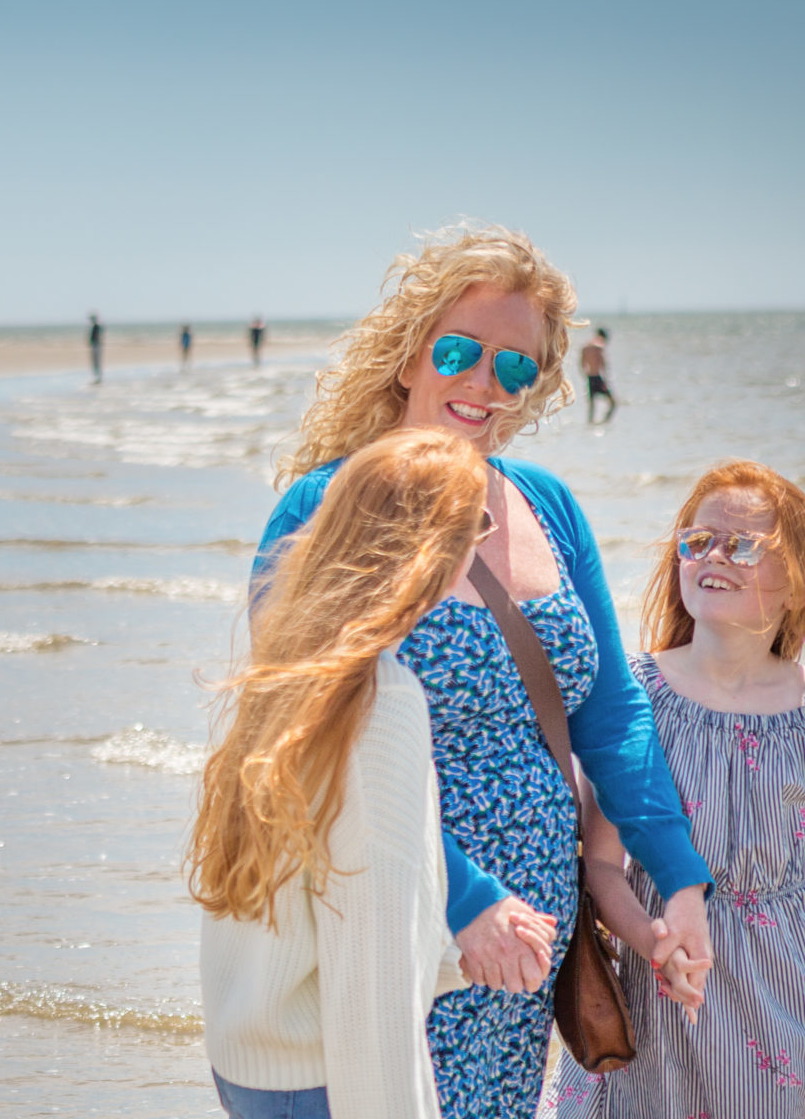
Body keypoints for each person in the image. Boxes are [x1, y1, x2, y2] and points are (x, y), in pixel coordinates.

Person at [253, 224, 714, 1119]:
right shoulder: (322, 507)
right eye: (460, 350)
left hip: (525, 949)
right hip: (391, 927)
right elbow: (304, 745)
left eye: (515, 367)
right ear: (409, 354)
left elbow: (611, 712)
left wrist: (683, 881)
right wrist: (460, 900)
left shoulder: (546, 505)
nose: (482, 382)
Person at [546, 462, 805, 1119]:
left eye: (744, 545)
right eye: (697, 541)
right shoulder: (634, 694)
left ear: (797, 580)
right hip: (652, 986)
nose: (714, 556)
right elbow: (600, 866)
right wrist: (657, 943)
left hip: (778, 997)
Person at [193, 426, 481, 1119]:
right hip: (322, 1079)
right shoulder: (381, 700)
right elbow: (373, 966)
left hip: (249, 1059)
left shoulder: (291, 667)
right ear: (435, 552)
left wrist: (444, 959)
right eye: (479, 523)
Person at [580, 326, 616, 422]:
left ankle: (590, 425)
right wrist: (605, 380)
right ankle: (605, 422)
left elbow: (582, 364)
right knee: (613, 403)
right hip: (598, 377)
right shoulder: (599, 347)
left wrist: (586, 375)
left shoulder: (585, 347)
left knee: (592, 406)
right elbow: (602, 364)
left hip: (589, 377)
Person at [87, 312, 104, 384]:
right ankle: (97, 376)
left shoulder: (96, 326)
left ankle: (98, 377)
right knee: (95, 361)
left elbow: (97, 336)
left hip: (96, 345)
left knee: (96, 361)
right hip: (95, 345)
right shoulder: (95, 326)